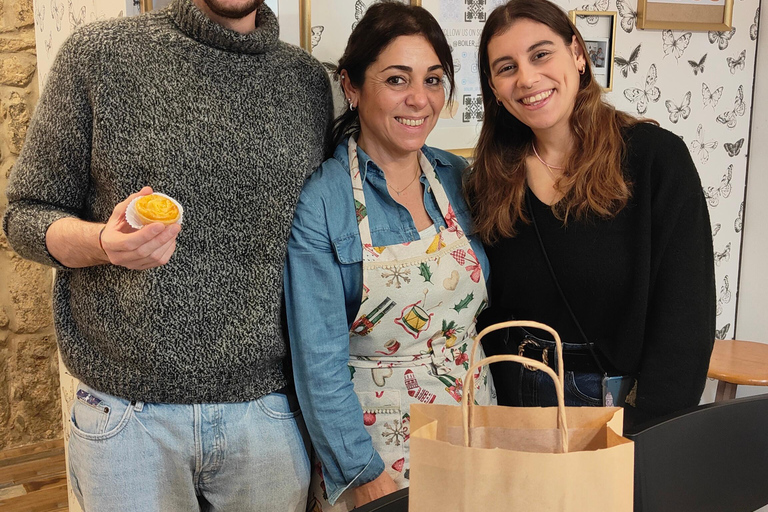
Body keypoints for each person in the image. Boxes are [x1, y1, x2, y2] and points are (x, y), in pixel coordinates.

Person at [3, 0, 332, 510]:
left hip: (266, 412)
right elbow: (24, 217)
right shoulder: (99, 56)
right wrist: (101, 245)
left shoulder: (307, 82)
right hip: (127, 415)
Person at [283, 3, 494, 510]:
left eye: (434, 79)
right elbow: (318, 362)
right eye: (397, 79)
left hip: (475, 422)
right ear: (352, 88)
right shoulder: (325, 200)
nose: (419, 100)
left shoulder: (457, 179)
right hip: (377, 448)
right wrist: (360, 472)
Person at [465, 0, 715, 429]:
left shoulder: (654, 159)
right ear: (493, 87)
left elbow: (686, 318)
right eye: (505, 67)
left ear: (578, 54)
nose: (527, 78)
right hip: (506, 401)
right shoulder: (488, 177)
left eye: (540, 54)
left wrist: (647, 426)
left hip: (614, 407)